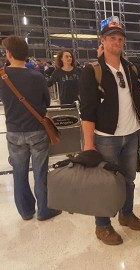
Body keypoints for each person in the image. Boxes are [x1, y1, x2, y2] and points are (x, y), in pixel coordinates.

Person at [78, 22, 140, 245]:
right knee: (105, 182)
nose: (116, 41)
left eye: (120, 38)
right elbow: (87, 111)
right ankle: (102, 226)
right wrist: (89, 144)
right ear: (102, 40)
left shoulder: (130, 68)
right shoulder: (92, 71)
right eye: (111, 38)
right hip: (105, 137)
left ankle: (126, 214)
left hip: (131, 134)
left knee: (129, 179)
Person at [0, 36, 62, 221]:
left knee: (18, 172)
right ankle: (44, 209)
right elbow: (47, 101)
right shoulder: (37, 76)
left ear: (9, 54)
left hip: (14, 131)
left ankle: (26, 211)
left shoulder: (2, 76)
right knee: (40, 171)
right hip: (37, 130)